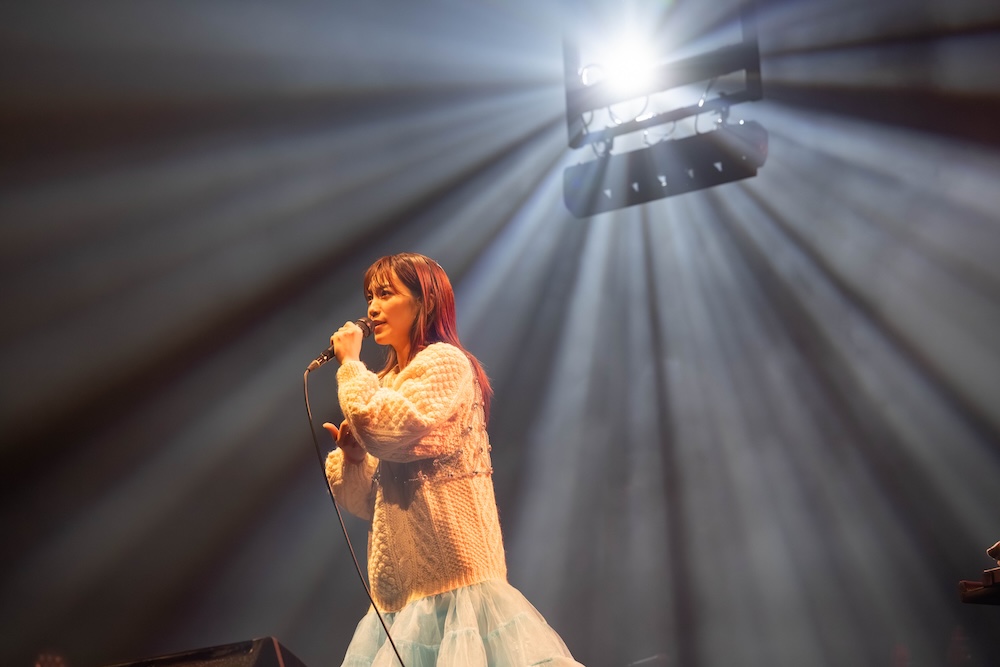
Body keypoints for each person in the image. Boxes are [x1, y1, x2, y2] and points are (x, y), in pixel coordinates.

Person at [323, 252, 583, 667]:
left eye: (386, 294)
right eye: (370, 296)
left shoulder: (445, 363)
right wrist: (353, 458)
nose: (371, 308)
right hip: (399, 599)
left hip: (456, 583)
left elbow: (385, 429)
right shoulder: (385, 383)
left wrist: (351, 365)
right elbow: (364, 502)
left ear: (424, 301)